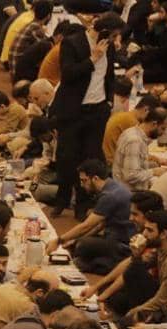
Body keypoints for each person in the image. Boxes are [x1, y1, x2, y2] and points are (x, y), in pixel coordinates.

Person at [47, 14, 120, 216]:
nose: (115, 41)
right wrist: (92, 58)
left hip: (97, 110)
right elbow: (68, 74)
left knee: (90, 159)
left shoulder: (110, 46)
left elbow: (109, 77)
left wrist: (109, 102)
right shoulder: (72, 43)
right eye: (113, 35)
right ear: (101, 30)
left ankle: (82, 204)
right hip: (73, 109)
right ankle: (62, 199)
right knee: (67, 157)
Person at [48, 159, 132, 276]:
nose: (82, 185)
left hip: (121, 242)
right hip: (116, 235)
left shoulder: (109, 196)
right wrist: (75, 239)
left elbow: (87, 225)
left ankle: (108, 263)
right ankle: (100, 262)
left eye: (84, 180)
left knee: (83, 246)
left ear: (95, 178)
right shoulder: (113, 186)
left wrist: (59, 240)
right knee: (80, 243)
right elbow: (100, 224)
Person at [112, 107, 167, 192]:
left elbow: (137, 160)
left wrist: (156, 160)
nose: (162, 133)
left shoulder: (133, 131)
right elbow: (131, 176)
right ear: (154, 124)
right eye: (162, 128)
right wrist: (155, 171)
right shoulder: (135, 141)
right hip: (130, 193)